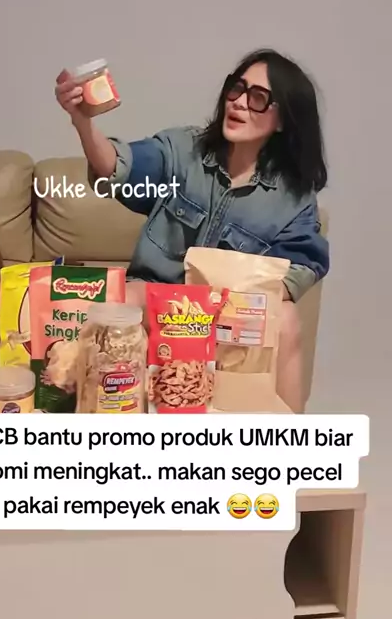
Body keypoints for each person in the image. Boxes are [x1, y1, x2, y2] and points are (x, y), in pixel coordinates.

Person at [55, 50, 329, 412]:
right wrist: (82, 122)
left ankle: (294, 441)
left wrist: (225, 301)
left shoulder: (293, 198)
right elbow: (118, 169)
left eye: (258, 97)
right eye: (237, 88)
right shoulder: (183, 150)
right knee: (116, 298)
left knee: (287, 319)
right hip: (156, 303)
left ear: (282, 120)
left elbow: (300, 269)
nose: (239, 102)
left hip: (227, 321)